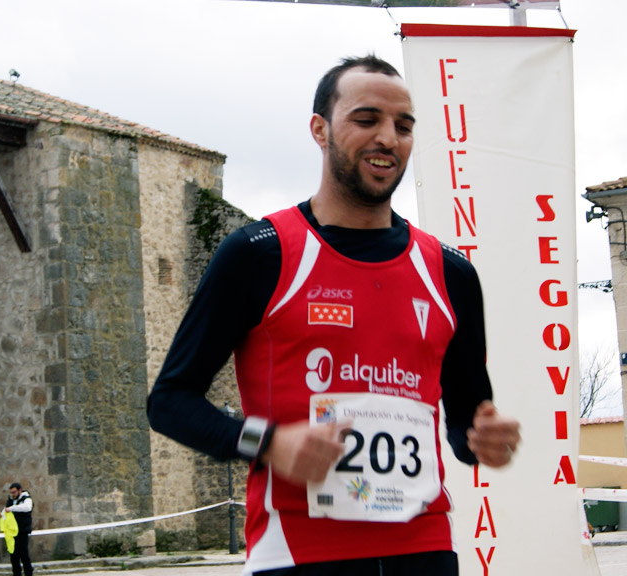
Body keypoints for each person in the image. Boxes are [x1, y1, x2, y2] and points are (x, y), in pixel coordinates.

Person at [147, 55, 522, 576]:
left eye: (404, 126)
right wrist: (269, 442)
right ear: (319, 130)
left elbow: (464, 424)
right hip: (300, 552)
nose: (388, 138)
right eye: (367, 120)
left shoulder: (451, 272)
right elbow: (169, 402)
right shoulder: (261, 254)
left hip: (425, 549)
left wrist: (484, 441)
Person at [2, 482, 33, 576]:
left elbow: (27, 508)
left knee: (24, 556)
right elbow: (5, 512)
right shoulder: (10, 500)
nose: (13, 494)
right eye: (11, 492)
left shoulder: (26, 499)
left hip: (23, 531)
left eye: (14, 492)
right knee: (14, 557)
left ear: (20, 490)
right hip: (12, 533)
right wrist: (1, 515)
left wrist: (12, 508)